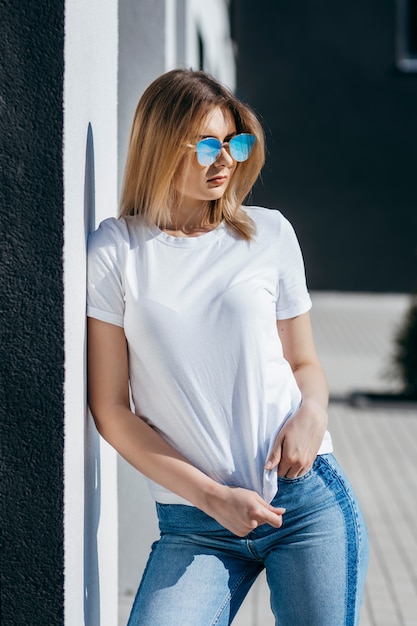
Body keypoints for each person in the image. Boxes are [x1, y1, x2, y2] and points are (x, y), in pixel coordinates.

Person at [87, 68, 369, 626]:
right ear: (162, 144)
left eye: (235, 143)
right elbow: (112, 410)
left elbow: (304, 362)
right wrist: (212, 498)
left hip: (305, 500)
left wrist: (313, 412)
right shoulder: (117, 251)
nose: (226, 160)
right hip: (195, 525)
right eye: (209, 144)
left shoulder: (268, 234)